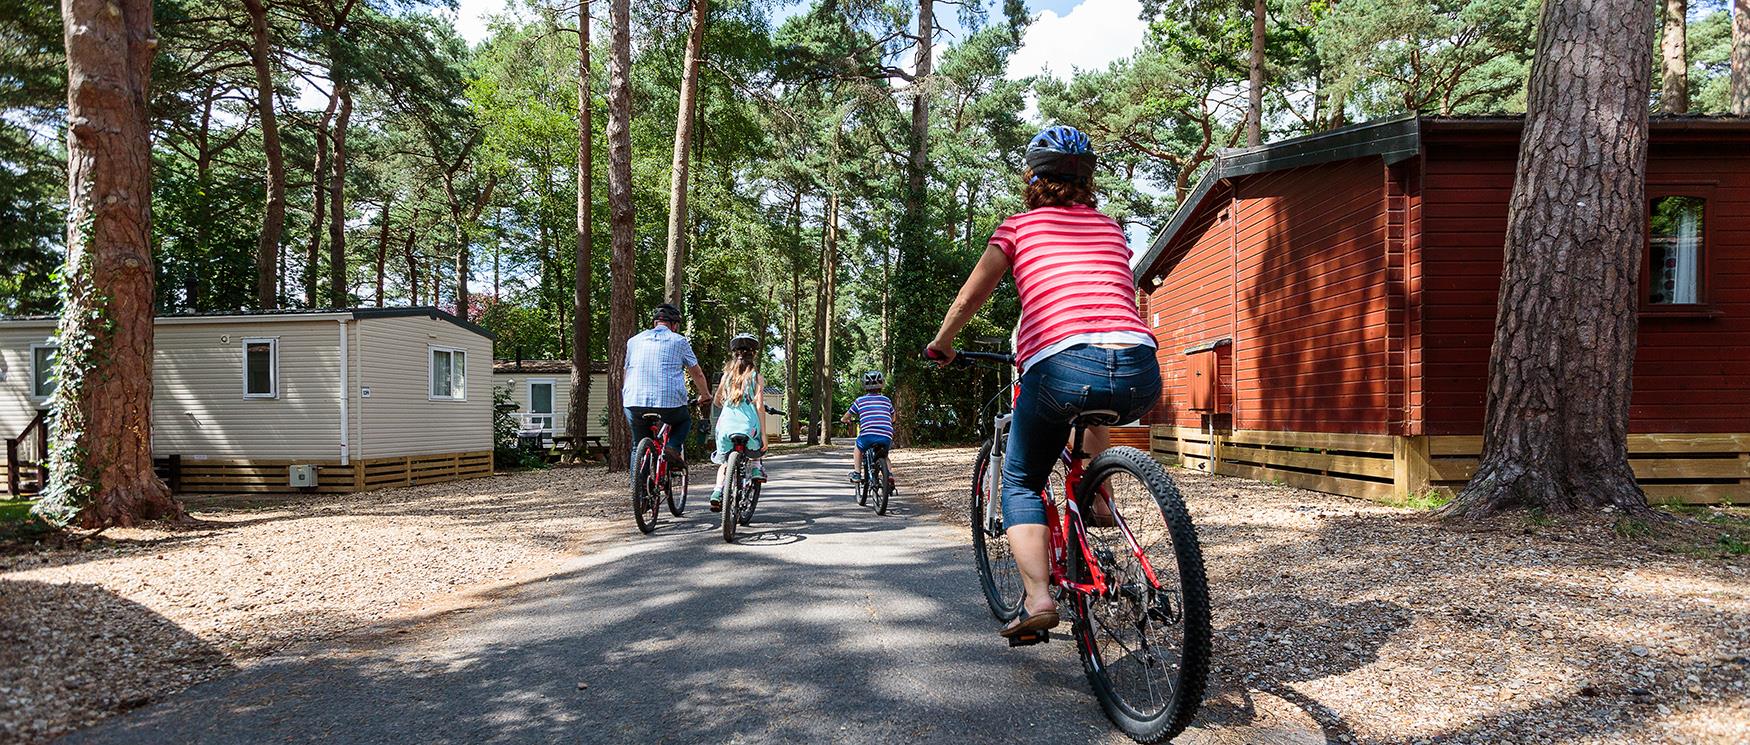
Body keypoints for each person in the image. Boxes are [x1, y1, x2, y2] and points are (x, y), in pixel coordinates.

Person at [926, 125, 1161, 641]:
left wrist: (943, 341)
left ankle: (1036, 599)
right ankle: (1100, 497)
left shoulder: (1017, 228)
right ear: (1087, 180)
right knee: (1094, 407)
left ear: (1032, 178)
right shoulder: (1111, 228)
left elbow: (970, 298)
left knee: (1021, 481)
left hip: (1059, 366)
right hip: (1140, 365)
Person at [622, 303, 713, 468]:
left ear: (655, 323)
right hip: (668, 403)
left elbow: (626, 372)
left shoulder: (633, 341)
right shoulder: (679, 341)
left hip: (633, 401)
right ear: (675, 325)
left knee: (638, 444)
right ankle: (672, 448)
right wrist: (705, 395)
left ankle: (640, 490)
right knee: (684, 420)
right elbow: (697, 373)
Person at [709, 334, 768, 512]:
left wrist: (728, 402)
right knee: (756, 440)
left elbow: (716, 401)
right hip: (747, 426)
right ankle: (756, 467)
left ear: (735, 355)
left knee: (725, 463)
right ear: (754, 355)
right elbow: (759, 406)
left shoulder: (726, 376)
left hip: (725, 426)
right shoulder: (756, 376)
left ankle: (718, 491)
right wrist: (764, 435)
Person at [842, 371, 895, 483]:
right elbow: (893, 418)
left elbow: (847, 416)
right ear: (881, 385)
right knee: (884, 456)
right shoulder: (887, 400)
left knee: (858, 448)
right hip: (886, 435)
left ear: (864, 386)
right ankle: (889, 474)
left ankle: (857, 473)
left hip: (868, 435)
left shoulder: (860, 401)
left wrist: (845, 420)